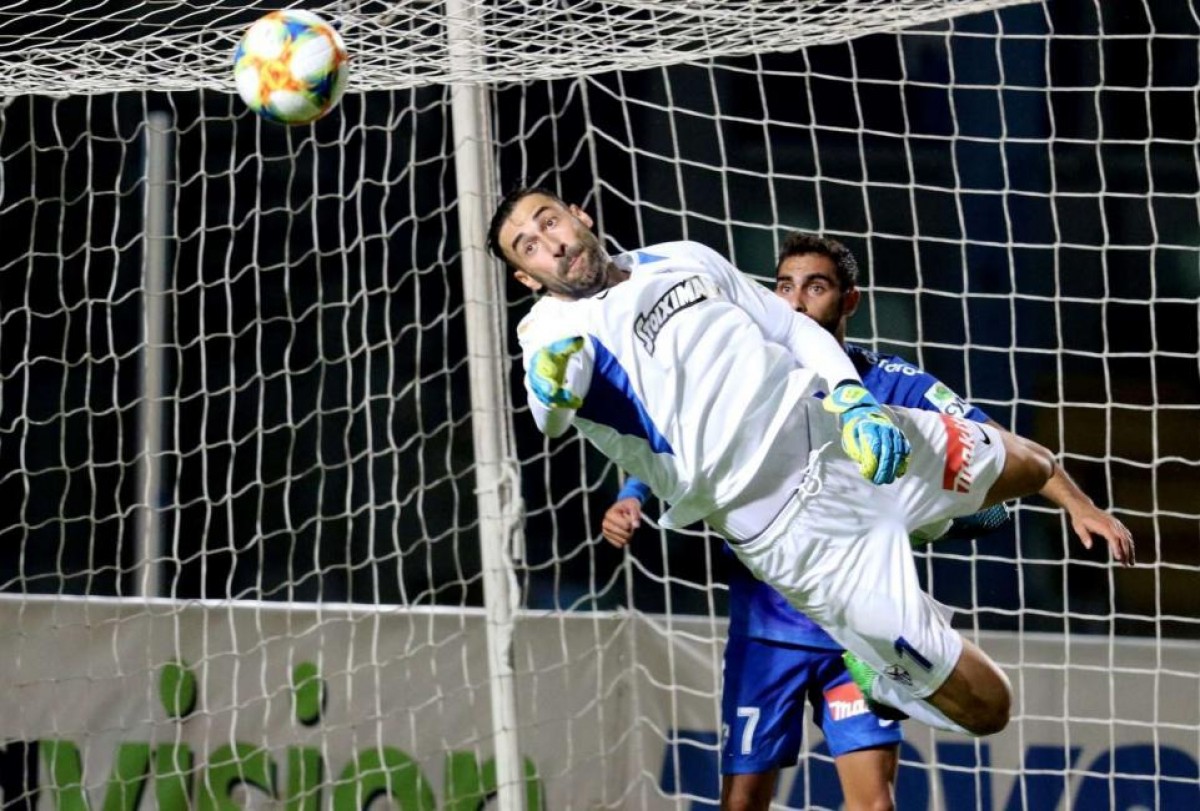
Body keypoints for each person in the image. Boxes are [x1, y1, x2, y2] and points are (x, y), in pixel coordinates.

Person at [488, 185, 1130, 748]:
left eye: (549, 221)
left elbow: (792, 330)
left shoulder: (682, 257)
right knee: (990, 708)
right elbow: (551, 414)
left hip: (841, 441)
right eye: (529, 247)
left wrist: (854, 401)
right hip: (795, 534)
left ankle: (933, 522)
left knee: (1033, 463)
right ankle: (888, 678)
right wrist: (550, 388)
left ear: (579, 216)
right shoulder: (549, 334)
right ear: (527, 278)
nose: (551, 244)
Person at [601, 231, 1134, 811]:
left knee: (874, 802)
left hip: (858, 630)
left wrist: (1078, 504)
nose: (796, 301)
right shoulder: (750, 370)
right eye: (784, 286)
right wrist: (632, 495)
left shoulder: (890, 382)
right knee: (742, 801)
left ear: (848, 300)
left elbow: (994, 441)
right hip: (767, 626)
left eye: (816, 287)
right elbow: (681, 441)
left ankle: (891, 669)